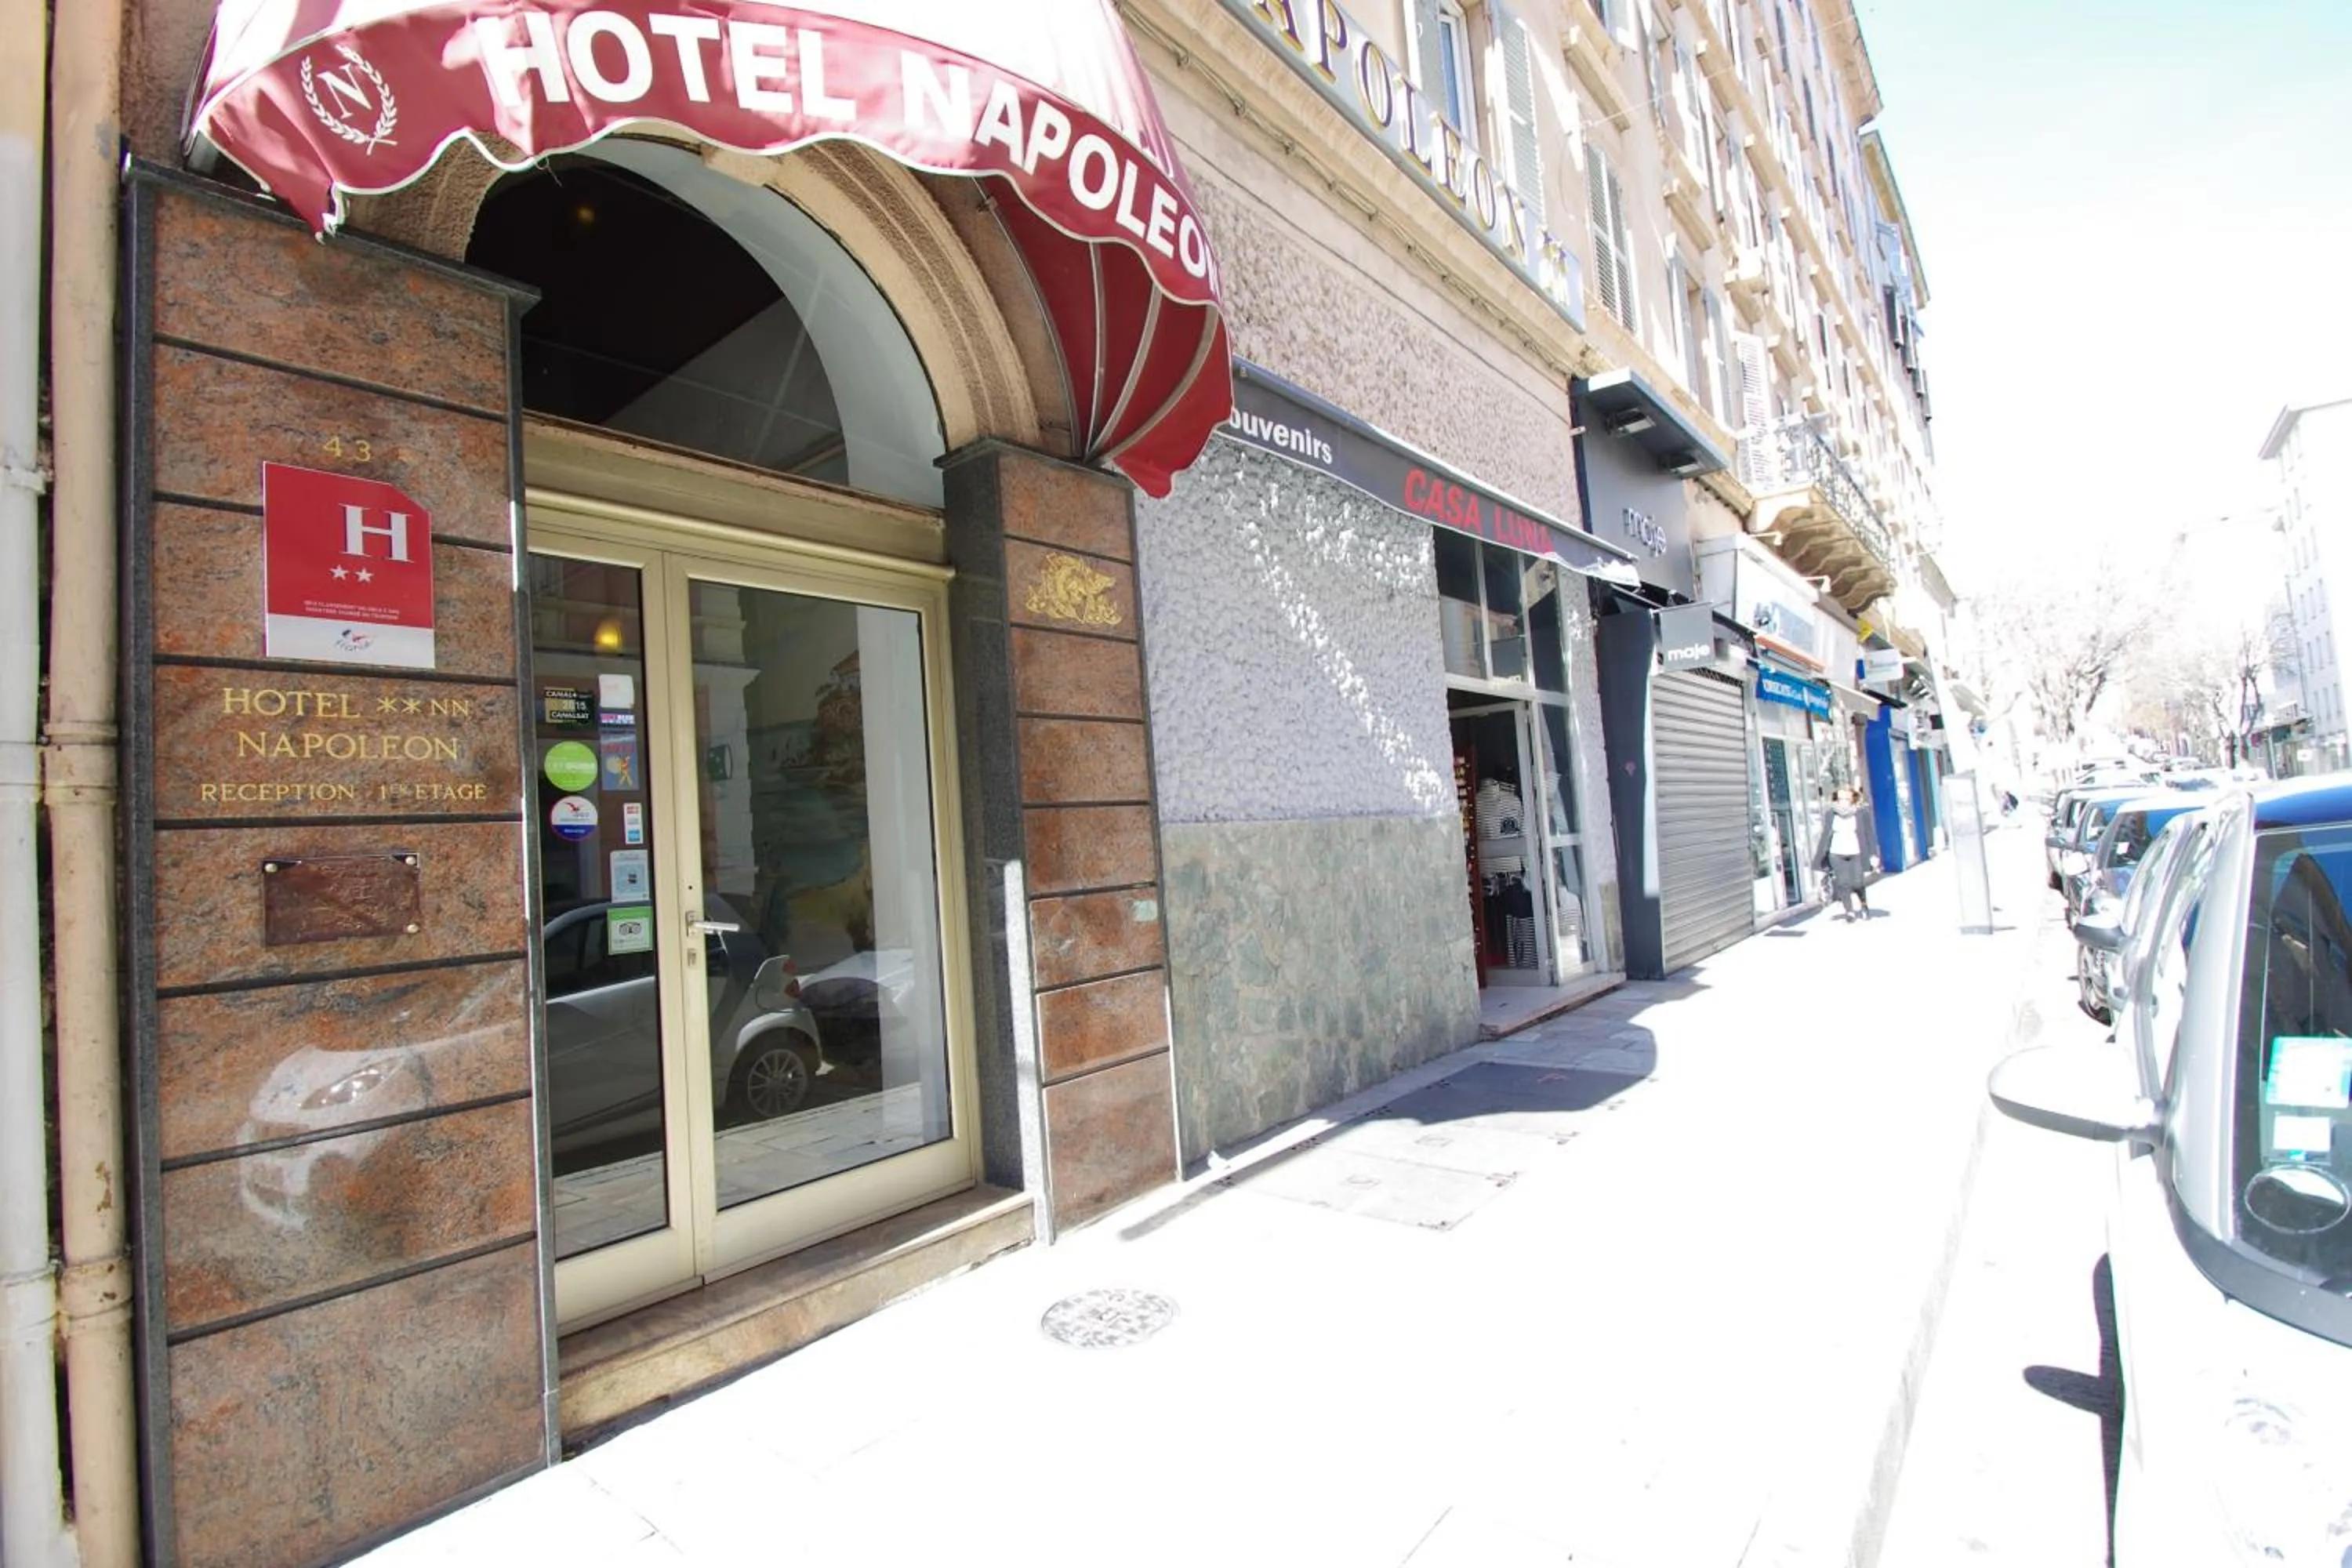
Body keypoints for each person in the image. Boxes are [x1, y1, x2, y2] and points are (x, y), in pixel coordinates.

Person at [1815, 785, 1875, 920]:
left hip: (1856, 852)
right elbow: (1826, 835)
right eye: (1840, 798)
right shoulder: (1831, 814)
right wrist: (1821, 857)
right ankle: (1849, 911)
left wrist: (1873, 854)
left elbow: (1869, 834)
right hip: (1836, 853)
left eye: (1846, 798)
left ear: (1852, 799)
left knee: (1858, 882)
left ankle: (1864, 904)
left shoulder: (1861, 813)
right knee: (1843, 883)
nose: (1843, 801)